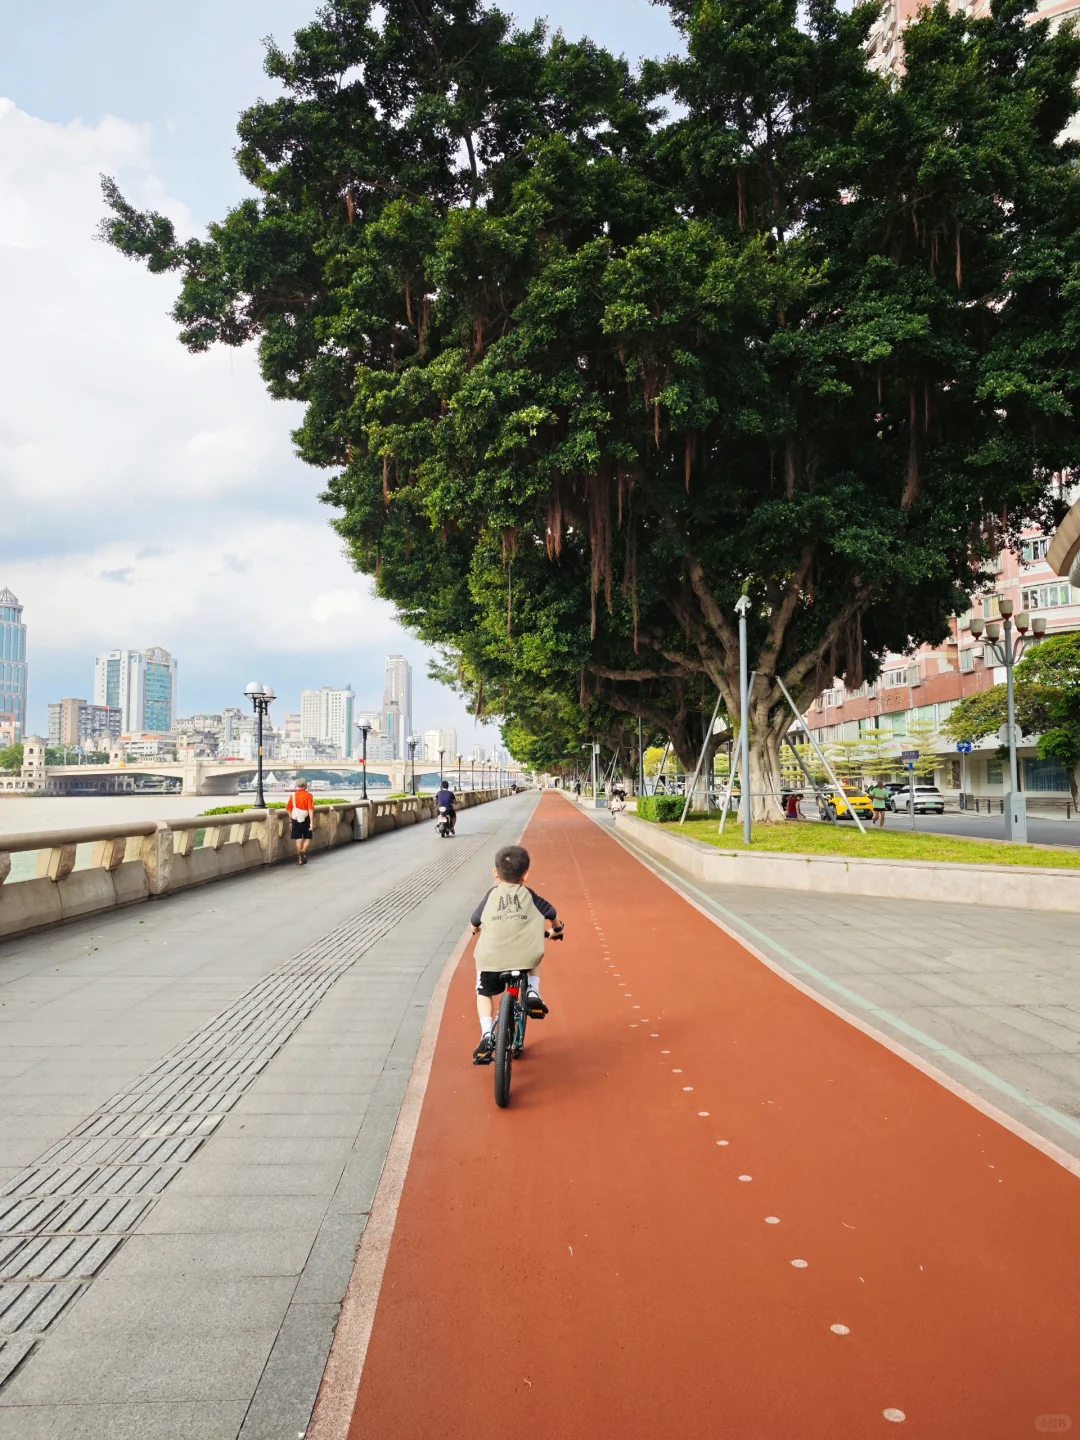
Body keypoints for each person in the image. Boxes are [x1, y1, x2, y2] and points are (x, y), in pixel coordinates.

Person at [470, 844, 563, 1064]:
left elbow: (475, 921)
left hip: (490, 960)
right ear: (525, 875)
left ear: (495, 873)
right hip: (523, 957)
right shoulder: (528, 894)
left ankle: (486, 1034)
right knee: (534, 950)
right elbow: (552, 913)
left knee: (483, 991)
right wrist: (556, 930)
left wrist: (476, 930)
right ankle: (532, 991)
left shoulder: (491, 896)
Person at [287, 779, 316, 864]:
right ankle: (303, 850)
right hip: (305, 818)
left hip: (295, 819)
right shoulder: (309, 795)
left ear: (297, 786)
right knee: (308, 837)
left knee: (298, 839)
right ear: (305, 786)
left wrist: (290, 820)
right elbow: (310, 809)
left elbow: (288, 809)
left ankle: (299, 860)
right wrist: (311, 821)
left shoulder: (293, 795)